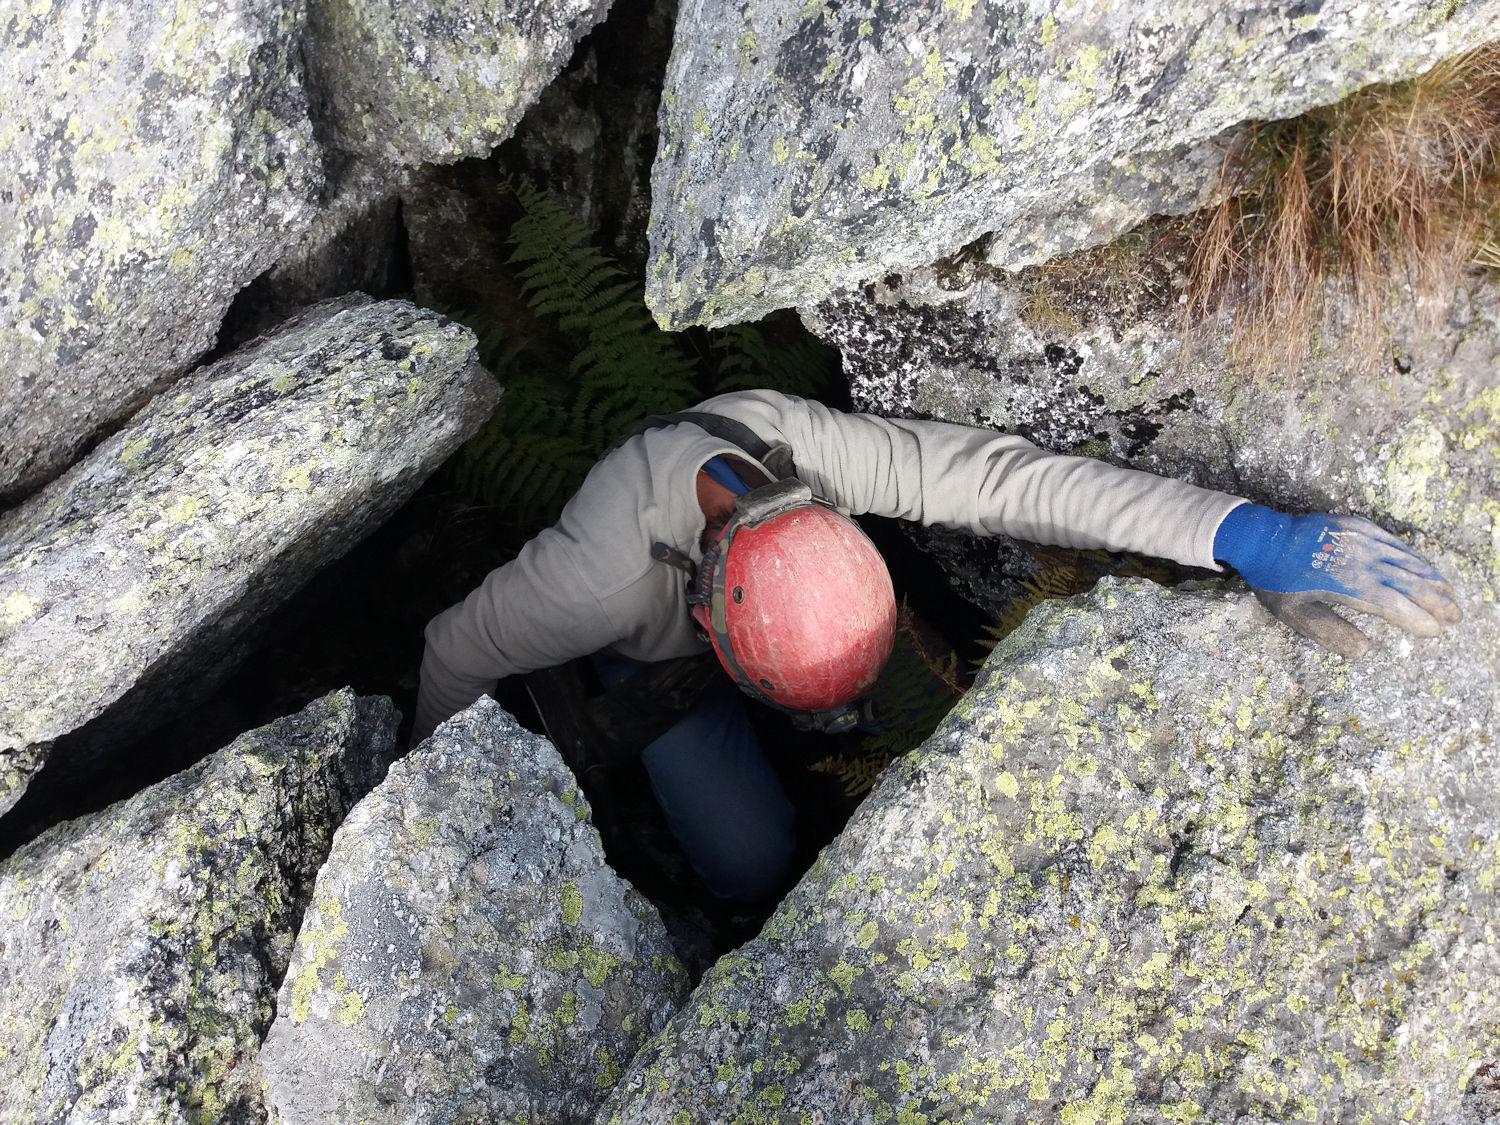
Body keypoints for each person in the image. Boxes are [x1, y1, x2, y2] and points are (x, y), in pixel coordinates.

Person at [413, 389, 1461, 902]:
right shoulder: (583, 588)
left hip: (752, 627)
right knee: (751, 859)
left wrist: (1243, 535)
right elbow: (451, 652)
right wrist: (426, 821)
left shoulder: (801, 453)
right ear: (703, 621)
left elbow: (1013, 482)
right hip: (644, 670)